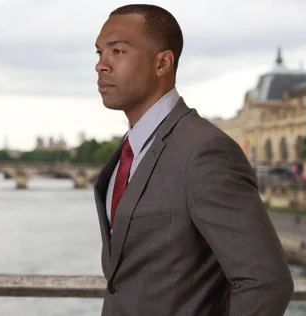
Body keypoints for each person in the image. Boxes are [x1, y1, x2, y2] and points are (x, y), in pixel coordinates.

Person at [92, 4, 293, 316]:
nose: (101, 65)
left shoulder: (205, 151)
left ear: (163, 63)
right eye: (99, 53)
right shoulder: (131, 148)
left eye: (117, 51)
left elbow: (266, 283)